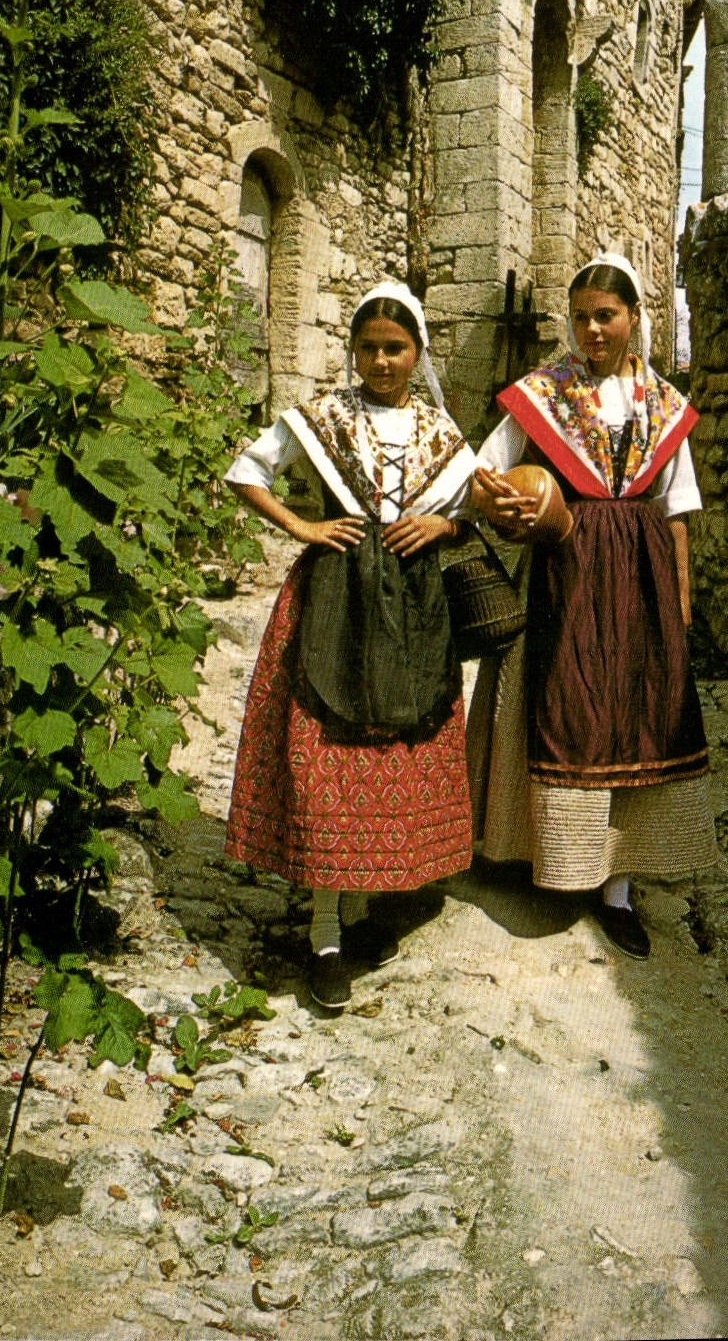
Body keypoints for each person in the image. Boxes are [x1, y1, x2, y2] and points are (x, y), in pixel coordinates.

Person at [223, 282, 477, 1010]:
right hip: (335, 596)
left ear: (417, 352)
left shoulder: (437, 430)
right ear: (353, 352)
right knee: (326, 753)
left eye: (395, 348)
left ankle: (363, 909)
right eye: (368, 347)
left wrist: (441, 526)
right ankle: (325, 932)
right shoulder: (325, 418)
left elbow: (469, 507)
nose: (381, 361)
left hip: (412, 607)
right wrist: (303, 528)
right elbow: (247, 471)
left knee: (391, 751)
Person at [465, 253, 716, 959]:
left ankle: (619, 890)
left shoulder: (661, 405)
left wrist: (680, 602)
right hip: (564, 571)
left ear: (634, 317)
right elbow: (483, 470)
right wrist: (503, 501)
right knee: (563, 705)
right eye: (580, 318)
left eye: (605, 316)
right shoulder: (546, 393)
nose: (592, 330)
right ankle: (550, 859)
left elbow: (676, 509)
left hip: (641, 578)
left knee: (636, 717)